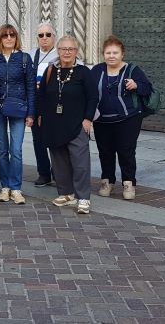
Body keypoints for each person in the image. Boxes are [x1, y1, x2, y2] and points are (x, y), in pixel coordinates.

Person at [38, 36, 98, 213]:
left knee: (80, 163)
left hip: (77, 123)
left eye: (70, 49)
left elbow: (93, 97)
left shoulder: (83, 72)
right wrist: (41, 115)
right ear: (58, 50)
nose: (67, 52)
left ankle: (84, 198)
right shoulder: (51, 70)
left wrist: (88, 119)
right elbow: (41, 95)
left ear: (76, 51)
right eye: (63, 49)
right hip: (54, 123)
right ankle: (66, 193)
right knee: (59, 161)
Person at [91, 35, 153, 201]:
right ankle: (107, 181)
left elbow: (148, 88)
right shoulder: (97, 70)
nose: (111, 56)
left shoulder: (133, 70)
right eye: (108, 52)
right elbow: (87, 91)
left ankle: (128, 183)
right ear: (103, 54)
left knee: (126, 152)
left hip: (128, 119)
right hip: (102, 120)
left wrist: (137, 85)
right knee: (105, 152)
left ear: (122, 54)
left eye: (115, 52)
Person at [0, 24, 36, 204]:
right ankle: (5, 187)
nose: (9, 38)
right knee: (1, 150)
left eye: (12, 35)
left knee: (16, 150)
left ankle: (16, 188)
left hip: (18, 108)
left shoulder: (24, 58)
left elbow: (31, 86)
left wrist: (31, 113)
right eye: (5, 35)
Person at [30, 22, 59, 187]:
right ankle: (44, 173)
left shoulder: (61, 53)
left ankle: (58, 172)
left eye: (48, 35)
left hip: (54, 104)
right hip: (36, 104)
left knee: (55, 139)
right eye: (41, 35)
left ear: (54, 37)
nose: (44, 38)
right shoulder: (32, 54)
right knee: (38, 140)